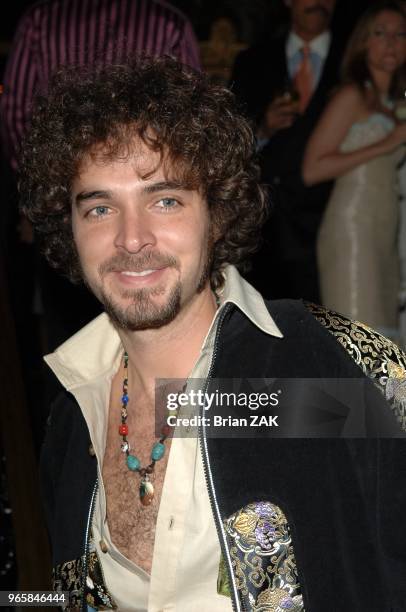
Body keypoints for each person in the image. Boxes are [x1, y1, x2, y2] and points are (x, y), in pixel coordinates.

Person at [20, 56, 406, 611]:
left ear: (217, 212)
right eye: (100, 208)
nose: (132, 238)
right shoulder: (71, 415)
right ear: (70, 228)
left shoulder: (315, 365)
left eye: (166, 200)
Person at [303, 0, 406, 340]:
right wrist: (388, 142)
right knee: (360, 344)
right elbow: (311, 169)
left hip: (388, 229)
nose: (392, 41)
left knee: (390, 348)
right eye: (381, 33)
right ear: (364, 42)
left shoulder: (394, 103)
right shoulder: (350, 96)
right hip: (352, 227)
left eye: (400, 34)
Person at [230, 0, 341, 302]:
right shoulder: (252, 60)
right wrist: (263, 128)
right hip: (266, 234)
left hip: (334, 222)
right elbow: (228, 144)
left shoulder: (354, 59)